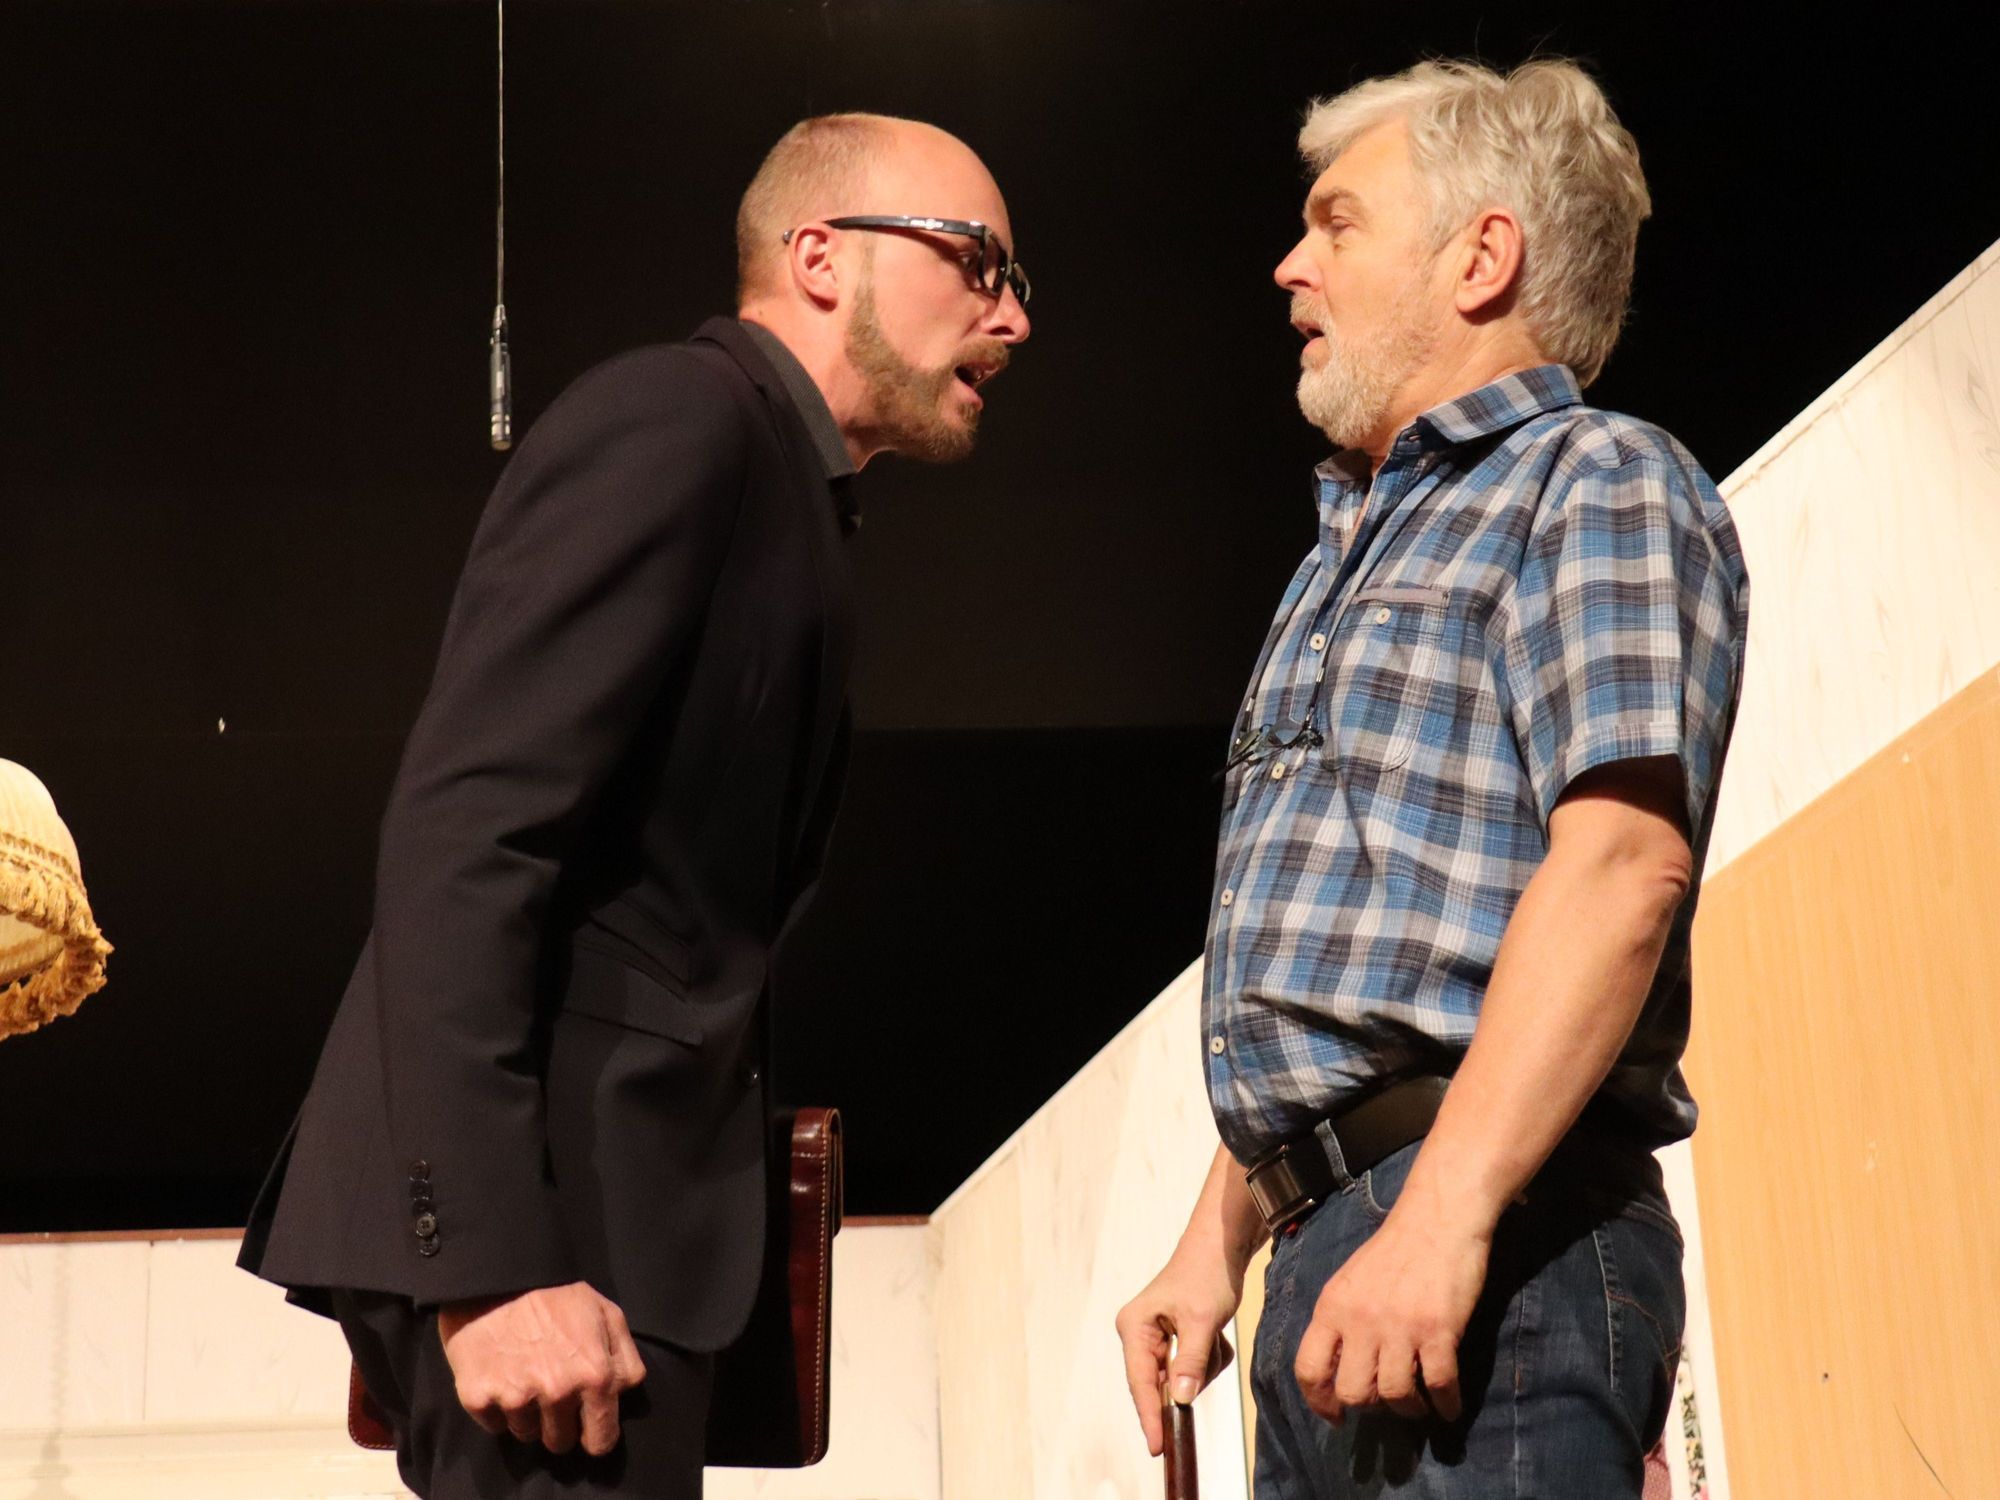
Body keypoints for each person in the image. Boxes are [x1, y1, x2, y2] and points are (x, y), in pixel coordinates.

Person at [239, 112, 1029, 1499]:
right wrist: (490, 1261)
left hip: (615, 1234)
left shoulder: (786, 484)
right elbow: (467, 827)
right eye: (978, 260)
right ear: (821, 256)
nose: (1012, 317)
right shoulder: (681, 418)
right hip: (545, 1235)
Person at [1116, 59, 1747, 1498]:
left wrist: (1447, 1216)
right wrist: (1215, 1241)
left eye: (1337, 222)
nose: (1291, 266)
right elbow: (1368, 977)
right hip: (1336, 1249)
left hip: (1492, 1236)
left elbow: (1621, 868)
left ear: (1481, 258)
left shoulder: (1593, 478)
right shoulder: (1339, 558)